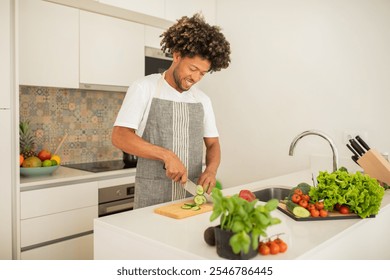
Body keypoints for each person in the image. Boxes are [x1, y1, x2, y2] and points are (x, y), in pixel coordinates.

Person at [112, 13, 231, 209]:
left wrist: (211, 170)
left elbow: (213, 144)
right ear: (176, 56)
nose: (196, 78)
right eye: (192, 68)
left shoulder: (202, 100)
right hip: (152, 196)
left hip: (190, 198)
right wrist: (166, 155)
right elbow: (119, 136)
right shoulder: (145, 87)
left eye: (202, 73)